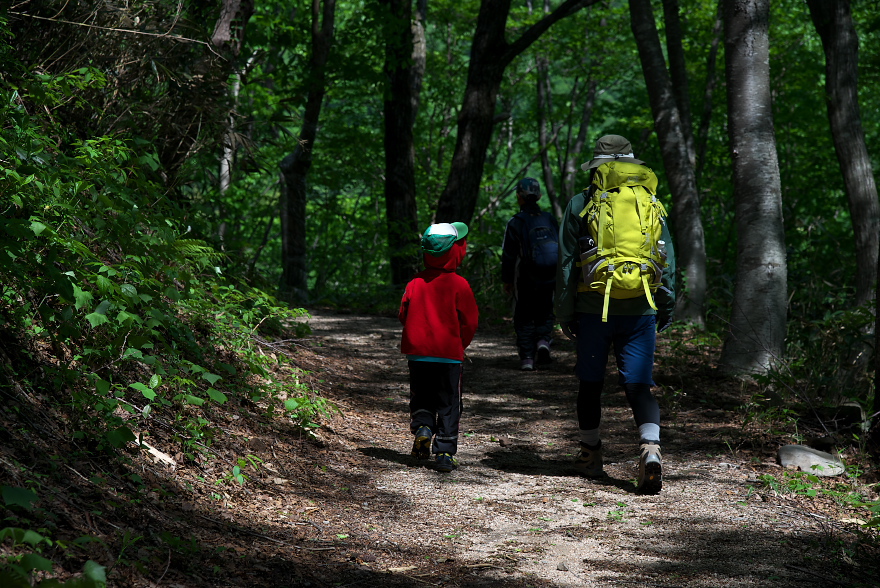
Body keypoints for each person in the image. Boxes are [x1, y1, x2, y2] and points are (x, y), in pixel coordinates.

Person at [555, 135, 676, 494]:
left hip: (593, 309)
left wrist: (565, 312)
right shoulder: (651, 202)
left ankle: (591, 455)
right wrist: (664, 306)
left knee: (590, 385)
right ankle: (650, 450)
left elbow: (566, 265)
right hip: (641, 307)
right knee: (639, 385)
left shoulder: (582, 201)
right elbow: (666, 262)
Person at [399, 222, 479, 472]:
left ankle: (423, 426)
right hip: (448, 356)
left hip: (418, 355)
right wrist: (460, 343)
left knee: (421, 395)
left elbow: (403, 314)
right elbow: (470, 321)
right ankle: (444, 452)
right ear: (454, 251)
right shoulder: (460, 284)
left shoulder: (415, 283)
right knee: (448, 403)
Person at [501, 178, 559, 371]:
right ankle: (543, 341)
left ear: (519, 197)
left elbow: (508, 255)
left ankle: (527, 357)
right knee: (545, 309)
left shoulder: (516, 222)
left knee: (524, 314)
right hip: (550, 274)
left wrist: (507, 280)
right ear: (540, 196)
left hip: (525, 276)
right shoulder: (549, 218)